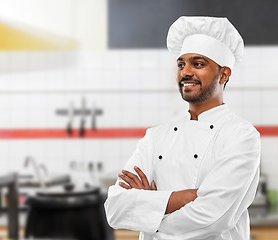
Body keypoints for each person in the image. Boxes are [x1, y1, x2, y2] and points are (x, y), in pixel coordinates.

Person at [104, 16, 260, 240]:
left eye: (198, 64)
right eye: (181, 64)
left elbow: (213, 218)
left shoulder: (241, 136)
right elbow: (115, 208)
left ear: (224, 74)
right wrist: (185, 197)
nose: (185, 72)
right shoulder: (155, 137)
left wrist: (149, 210)